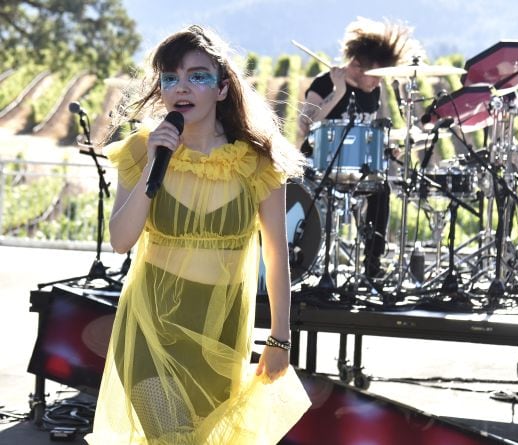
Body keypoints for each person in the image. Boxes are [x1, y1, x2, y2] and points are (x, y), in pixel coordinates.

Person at [86, 25, 310, 444]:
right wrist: (155, 163)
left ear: (222, 89)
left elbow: (276, 257)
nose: (181, 87)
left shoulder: (257, 162)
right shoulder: (142, 149)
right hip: (150, 330)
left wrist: (280, 337)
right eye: (170, 78)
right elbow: (120, 240)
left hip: (219, 338)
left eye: (197, 75)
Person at [298, 17, 416, 279]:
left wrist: (387, 148)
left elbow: (369, 130)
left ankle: (372, 261)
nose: (377, 83)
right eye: (375, 76)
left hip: (355, 169)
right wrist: (337, 92)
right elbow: (304, 125)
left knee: (381, 189)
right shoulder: (324, 83)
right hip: (317, 169)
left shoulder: (373, 90)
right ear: (356, 65)